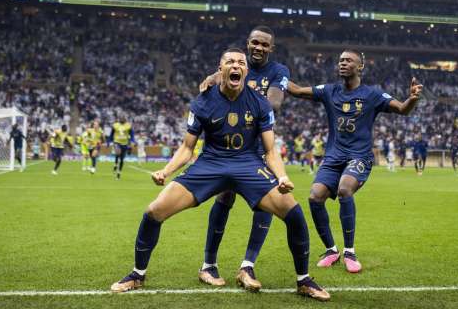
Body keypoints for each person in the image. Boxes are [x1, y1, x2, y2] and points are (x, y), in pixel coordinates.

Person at [110, 49, 329, 301]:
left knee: (293, 212)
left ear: (246, 71)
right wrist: (167, 171)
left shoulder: (260, 102)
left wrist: (281, 176)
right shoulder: (202, 101)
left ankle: (303, 280)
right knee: (154, 211)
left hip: (248, 164)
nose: (236, 66)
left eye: (240, 63)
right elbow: (187, 148)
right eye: (230, 62)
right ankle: (138, 274)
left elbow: (270, 150)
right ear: (220, 69)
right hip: (210, 165)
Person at [287, 49, 423, 273]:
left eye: (348, 60)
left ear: (360, 67)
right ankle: (332, 250)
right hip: (333, 157)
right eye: (340, 60)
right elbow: (298, 91)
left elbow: (402, 109)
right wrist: (276, 77)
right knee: (315, 197)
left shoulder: (372, 95)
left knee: (344, 189)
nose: (342, 63)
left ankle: (350, 251)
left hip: (359, 156)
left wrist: (413, 99)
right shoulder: (329, 91)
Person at [197, 26, 290, 289]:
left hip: (260, 147)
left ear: (271, 48)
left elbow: (274, 103)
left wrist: (236, 91)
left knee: (266, 203)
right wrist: (213, 80)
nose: (259, 48)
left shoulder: (278, 72)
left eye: (264, 44)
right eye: (255, 43)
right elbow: (209, 86)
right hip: (229, 148)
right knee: (224, 198)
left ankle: (247, 266)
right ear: (247, 44)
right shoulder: (232, 67)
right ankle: (208, 265)